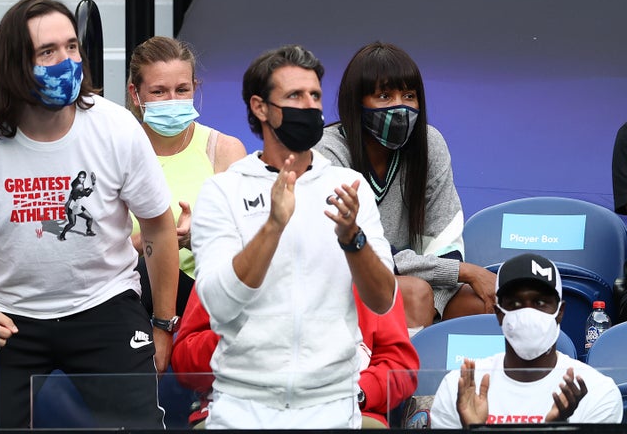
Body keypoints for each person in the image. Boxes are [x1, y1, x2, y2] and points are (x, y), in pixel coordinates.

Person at [0, 0, 179, 429]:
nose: (66, 61)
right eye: (47, 52)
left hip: (103, 303)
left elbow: (158, 228)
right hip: (3, 318)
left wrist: (163, 323)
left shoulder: (116, 128)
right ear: (15, 64)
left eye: (72, 47)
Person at [190, 44, 398, 429]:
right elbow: (218, 304)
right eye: (294, 96)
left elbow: (383, 299)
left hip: (333, 406)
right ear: (260, 107)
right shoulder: (222, 191)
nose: (309, 106)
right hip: (242, 407)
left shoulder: (349, 187)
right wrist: (273, 225)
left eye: (315, 96)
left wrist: (353, 238)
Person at [315, 41, 495, 330]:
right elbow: (367, 248)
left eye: (409, 95)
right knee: (414, 293)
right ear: (356, 103)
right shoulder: (328, 151)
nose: (400, 107)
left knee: (488, 304)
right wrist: (462, 272)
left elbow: (445, 245)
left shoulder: (429, 144)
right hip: (342, 283)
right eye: (384, 96)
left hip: (417, 287)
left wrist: (432, 310)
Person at [171, 285, 419, 428]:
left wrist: (357, 392)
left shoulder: (368, 268)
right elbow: (184, 363)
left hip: (344, 413)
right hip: (239, 410)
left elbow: (401, 368)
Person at [126, 36, 246, 317]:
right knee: (144, 272)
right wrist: (148, 242)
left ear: (195, 87)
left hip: (202, 293)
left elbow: (247, 241)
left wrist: (197, 237)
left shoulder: (224, 150)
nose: (172, 101)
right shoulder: (114, 151)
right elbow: (89, 249)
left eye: (182, 89)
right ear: (136, 94)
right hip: (129, 289)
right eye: (158, 92)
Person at [430, 253, 623, 428]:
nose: (527, 312)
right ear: (499, 314)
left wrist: (556, 429)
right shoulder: (459, 389)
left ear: (560, 313)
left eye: (540, 302)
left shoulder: (596, 392)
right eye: (515, 303)